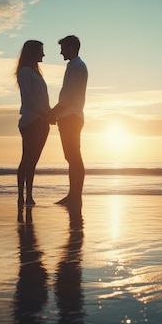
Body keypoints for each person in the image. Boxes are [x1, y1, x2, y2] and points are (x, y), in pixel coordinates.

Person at [48, 35, 88, 205]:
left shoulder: (77, 66)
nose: (61, 52)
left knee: (73, 156)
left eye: (63, 48)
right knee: (71, 156)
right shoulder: (74, 65)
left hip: (71, 116)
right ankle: (73, 195)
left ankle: (75, 196)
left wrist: (52, 113)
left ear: (72, 47)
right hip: (69, 116)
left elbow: (70, 97)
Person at [16, 40, 50, 207]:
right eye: (41, 51)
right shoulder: (24, 72)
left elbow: (43, 98)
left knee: (33, 161)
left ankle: (29, 195)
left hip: (42, 121)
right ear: (33, 53)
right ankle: (22, 196)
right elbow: (29, 98)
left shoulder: (36, 73)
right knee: (27, 158)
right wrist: (44, 112)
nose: (43, 55)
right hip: (31, 121)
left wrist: (49, 114)